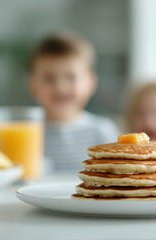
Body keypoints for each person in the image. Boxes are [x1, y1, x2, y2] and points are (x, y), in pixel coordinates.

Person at [28, 33, 119, 172]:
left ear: (90, 83)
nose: (60, 87)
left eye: (70, 77)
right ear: (32, 85)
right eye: (49, 78)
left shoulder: (102, 132)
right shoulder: (26, 133)